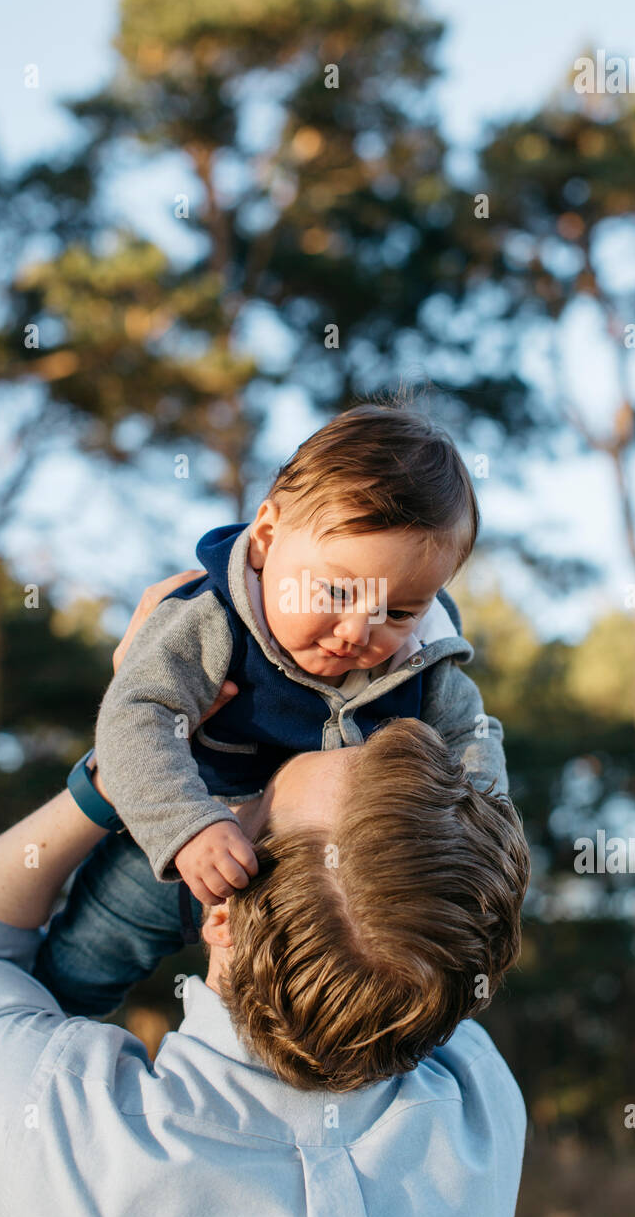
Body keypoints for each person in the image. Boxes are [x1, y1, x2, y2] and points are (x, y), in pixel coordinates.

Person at [0, 585, 531, 1217]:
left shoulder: (65, 1121)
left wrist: (124, 769)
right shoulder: (477, 1109)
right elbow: (445, 926)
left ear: (220, 914)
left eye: (253, 798)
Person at [34, 401, 510, 1017]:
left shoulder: (424, 665)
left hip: (318, 902)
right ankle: (46, 1074)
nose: (356, 631)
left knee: (318, 1014)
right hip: (174, 847)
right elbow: (135, 715)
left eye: (397, 612)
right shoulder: (208, 622)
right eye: (338, 591)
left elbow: (473, 746)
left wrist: (476, 847)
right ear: (265, 538)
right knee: (77, 968)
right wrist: (186, 823)